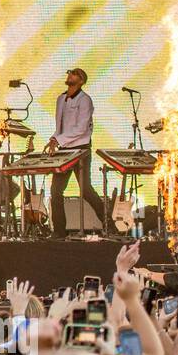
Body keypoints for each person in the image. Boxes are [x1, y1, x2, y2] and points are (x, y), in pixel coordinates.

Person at [46, 67, 105, 238]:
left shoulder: (85, 100)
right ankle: (59, 231)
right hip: (64, 151)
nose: (69, 75)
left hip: (80, 150)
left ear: (81, 80)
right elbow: (60, 127)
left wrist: (59, 139)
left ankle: (108, 223)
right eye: (69, 72)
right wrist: (53, 139)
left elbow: (81, 129)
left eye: (74, 73)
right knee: (56, 191)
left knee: (85, 190)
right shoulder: (60, 99)